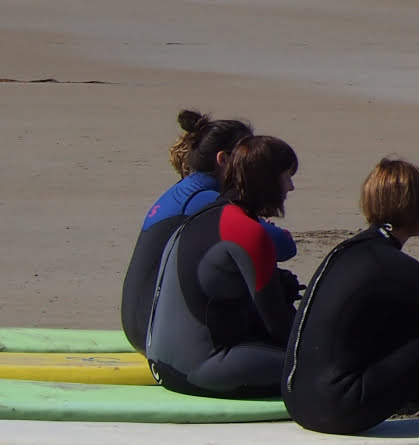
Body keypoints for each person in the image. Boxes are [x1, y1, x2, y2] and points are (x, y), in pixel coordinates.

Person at [283, 158, 419, 435]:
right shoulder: (387, 264)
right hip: (338, 410)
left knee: (418, 324)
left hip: (300, 403)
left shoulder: (350, 251)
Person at [145, 134, 304, 398]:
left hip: (161, 365)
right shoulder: (248, 231)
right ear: (267, 181)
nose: (290, 187)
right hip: (199, 371)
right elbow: (280, 327)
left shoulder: (204, 215)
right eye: (287, 177)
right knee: (321, 364)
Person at [121, 110, 295, 350]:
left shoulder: (186, 191)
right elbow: (282, 245)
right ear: (223, 160)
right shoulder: (203, 200)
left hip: (145, 322)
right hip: (152, 329)